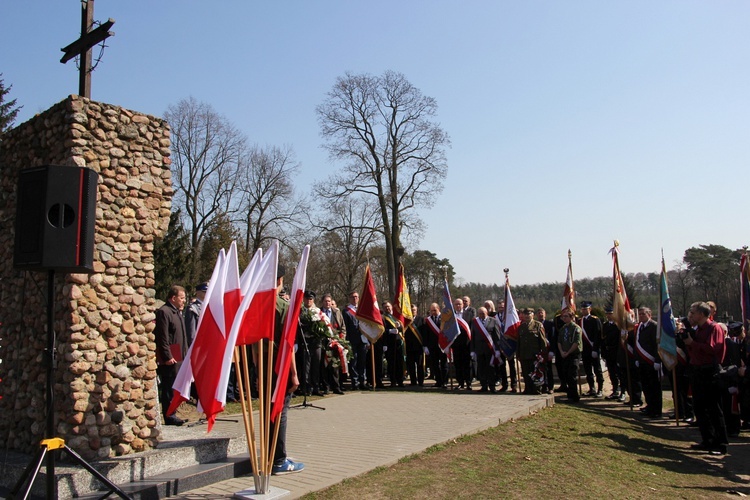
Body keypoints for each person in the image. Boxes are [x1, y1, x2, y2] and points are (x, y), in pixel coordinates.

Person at [265, 264, 304, 474]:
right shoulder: (282, 306)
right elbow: (288, 345)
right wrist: (295, 374)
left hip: (262, 366)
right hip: (280, 368)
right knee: (280, 412)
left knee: (267, 412)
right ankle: (278, 460)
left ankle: (269, 454)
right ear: (280, 281)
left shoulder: (256, 304)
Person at [685, 301, 728, 455]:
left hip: (709, 372)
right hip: (697, 371)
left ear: (702, 314)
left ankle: (720, 443)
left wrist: (693, 343)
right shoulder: (699, 329)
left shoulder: (713, 328)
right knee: (700, 407)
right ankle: (707, 440)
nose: (691, 314)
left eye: (693, 311)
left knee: (714, 409)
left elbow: (712, 349)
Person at [155, 285, 188, 426]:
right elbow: (163, 336)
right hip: (171, 358)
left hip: (179, 356)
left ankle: (174, 411)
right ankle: (169, 415)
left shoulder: (176, 312)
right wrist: (167, 356)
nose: (184, 301)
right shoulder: (164, 312)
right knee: (169, 386)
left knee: (176, 387)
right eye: (181, 298)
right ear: (173, 298)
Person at [635, 307, 663, 418]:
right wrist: (637, 359)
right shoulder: (639, 327)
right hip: (642, 362)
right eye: (640, 314)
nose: (641, 316)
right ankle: (649, 406)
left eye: (643, 314)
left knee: (654, 387)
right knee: (646, 387)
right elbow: (637, 344)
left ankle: (656, 410)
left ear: (649, 314)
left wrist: (657, 360)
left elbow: (658, 345)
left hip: (651, 362)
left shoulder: (654, 326)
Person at [297, 290, 324, 397]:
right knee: (306, 367)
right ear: (303, 299)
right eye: (307, 298)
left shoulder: (318, 312)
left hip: (316, 342)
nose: (309, 301)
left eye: (311, 299)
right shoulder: (300, 311)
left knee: (316, 365)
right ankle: (306, 388)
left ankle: (316, 387)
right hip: (305, 342)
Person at [343, 290, 371, 391]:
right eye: (353, 297)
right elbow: (345, 327)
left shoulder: (362, 310)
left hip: (363, 340)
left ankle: (362, 381)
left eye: (356, 297)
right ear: (349, 299)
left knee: (362, 362)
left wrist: (368, 340)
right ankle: (355, 382)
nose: (355, 299)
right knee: (353, 362)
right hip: (352, 340)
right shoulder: (346, 311)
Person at [517, 308, 548, 394]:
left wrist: (543, 354)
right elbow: (519, 342)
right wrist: (518, 354)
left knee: (535, 373)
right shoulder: (521, 327)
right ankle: (527, 389)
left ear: (533, 315)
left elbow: (543, 341)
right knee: (526, 373)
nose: (527, 316)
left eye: (529, 314)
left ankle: (536, 389)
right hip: (524, 354)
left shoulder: (538, 325)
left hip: (535, 354)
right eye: (525, 314)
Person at [470, 306, 501, 392]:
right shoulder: (475, 322)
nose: (481, 315)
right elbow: (473, 337)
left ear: (486, 312)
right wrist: (472, 350)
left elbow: (496, 336)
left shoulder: (493, 321)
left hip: (490, 349)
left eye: (483, 313)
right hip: (479, 349)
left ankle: (492, 386)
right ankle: (484, 386)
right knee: (481, 368)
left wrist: (497, 349)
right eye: (480, 313)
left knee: (490, 368)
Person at [320, 293, 346, 395]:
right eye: (325, 301)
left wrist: (342, 337)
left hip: (335, 341)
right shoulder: (319, 312)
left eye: (329, 301)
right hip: (324, 342)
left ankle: (336, 387)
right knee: (325, 365)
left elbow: (343, 327)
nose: (327, 303)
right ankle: (326, 387)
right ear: (322, 302)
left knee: (335, 365)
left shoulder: (337, 312)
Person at [579, 301, 604, 397]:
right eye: (583, 309)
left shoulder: (595, 320)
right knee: (588, 370)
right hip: (585, 350)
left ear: (590, 309)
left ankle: (600, 389)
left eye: (586, 309)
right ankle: (591, 388)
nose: (584, 310)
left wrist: (596, 349)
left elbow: (598, 335)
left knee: (597, 370)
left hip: (593, 348)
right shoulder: (580, 321)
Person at [557, 308, 582, 403]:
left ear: (571, 317)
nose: (564, 318)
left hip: (573, 354)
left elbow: (576, 342)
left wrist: (568, 352)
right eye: (563, 317)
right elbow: (559, 341)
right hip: (564, 354)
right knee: (566, 375)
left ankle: (574, 396)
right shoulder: (563, 329)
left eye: (566, 316)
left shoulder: (576, 328)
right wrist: (562, 352)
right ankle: (569, 394)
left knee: (572, 375)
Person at [422, 302, 447, 388]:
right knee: (434, 364)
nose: (433, 312)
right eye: (432, 310)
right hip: (432, 346)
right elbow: (425, 334)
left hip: (443, 345)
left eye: (435, 310)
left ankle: (445, 381)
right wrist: (425, 346)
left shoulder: (444, 318)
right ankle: (438, 381)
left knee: (443, 364)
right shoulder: (428, 320)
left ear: (438, 309)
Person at [602, 307, 624, 400]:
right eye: (607, 314)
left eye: (610, 314)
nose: (608, 316)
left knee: (620, 373)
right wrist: (603, 353)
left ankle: (622, 392)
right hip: (608, 352)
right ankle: (615, 390)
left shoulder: (618, 325)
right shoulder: (605, 325)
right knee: (612, 373)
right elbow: (603, 340)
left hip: (617, 352)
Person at [382, 301, 406, 387]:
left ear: (391, 307)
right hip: (390, 343)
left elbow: (402, 328)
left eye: (388, 306)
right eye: (385, 307)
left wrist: (399, 326)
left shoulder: (396, 317)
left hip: (399, 342)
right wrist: (389, 331)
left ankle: (400, 380)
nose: (387, 308)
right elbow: (381, 330)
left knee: (399, 362)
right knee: (391, 363)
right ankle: (393, 380)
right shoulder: (383, 318)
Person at [452, 298, 474, 390]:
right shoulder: (451, 316)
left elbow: (472, 328)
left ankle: (468, 383)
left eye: (460, 304)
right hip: (456, 344)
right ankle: (460, 383)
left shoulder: (469, 315)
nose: (458, 306)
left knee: (467, 364)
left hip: (467, 343)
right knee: (458, 364)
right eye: (456, 304)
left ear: (463, 305)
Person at [405, 304, 425, 386]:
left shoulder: (421, 319)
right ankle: (413, 381)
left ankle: (421, 381)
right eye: (411, 310)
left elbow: (424, 332)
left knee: (420, 365)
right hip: (409, 347)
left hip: (419, 346)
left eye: (414, 310)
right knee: (411, 366)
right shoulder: (406, 320)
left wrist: (425, 345)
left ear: (416, 311)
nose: (413, 311)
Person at [537, 308, 556, 394]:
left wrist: (552, 351)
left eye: (542, 313)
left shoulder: (550, 324)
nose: (540, 314)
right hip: (539, 351)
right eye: (539, 313)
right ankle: (542, 386)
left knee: (548, 369)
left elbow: (553, 337)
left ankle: (550, 387)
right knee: (540, 369)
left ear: (545, 314)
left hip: (548, 350)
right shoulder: (535, 324)